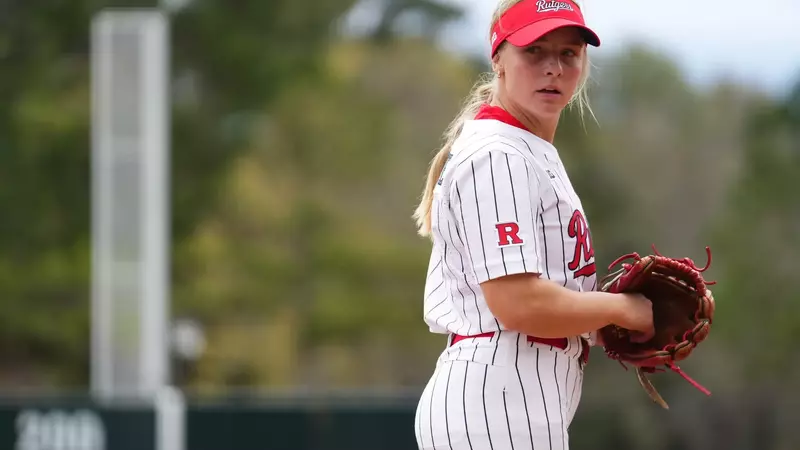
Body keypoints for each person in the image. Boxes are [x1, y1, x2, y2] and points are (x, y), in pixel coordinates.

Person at [411, 1, 655, 449]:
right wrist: (621, 309)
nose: (553, 68)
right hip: (495, 402)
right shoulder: (498, 155)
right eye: (535, 51)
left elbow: (535, 298)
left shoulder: (523, 147)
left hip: (513, 395)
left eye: (568, 53)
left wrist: (605, 325)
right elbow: (516, 302)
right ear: (498, 57)